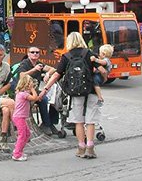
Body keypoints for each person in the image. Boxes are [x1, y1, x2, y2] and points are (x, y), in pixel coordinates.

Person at [42, 31, 101, 159]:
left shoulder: (66, 56)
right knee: (90, 120)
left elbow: (57, 74)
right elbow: (101, 69)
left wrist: (46, 89)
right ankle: (90, 146)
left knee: (78, 120)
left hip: (75, 92)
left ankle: (81, 147)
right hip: (91, 90)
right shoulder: (89, 53)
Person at [17, 46, 58, 135]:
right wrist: (33, 70)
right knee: (43, 99)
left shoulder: (39, 63)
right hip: (24, 91)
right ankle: (48, 124)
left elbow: (53, 69)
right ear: (28, 54)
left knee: (51, 99)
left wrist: (47, 73)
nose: (35, 54)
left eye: (37, 52)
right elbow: (21, 75)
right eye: (32, 52)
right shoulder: (25, 63)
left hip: (34, 91)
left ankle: (48, 124)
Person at [11, 74, 40, 162]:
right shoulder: (23, 94)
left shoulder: (23, 93)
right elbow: (34, 97)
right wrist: (32, 89)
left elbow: (35, 98)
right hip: (19, 117)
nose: (32, 84)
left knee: (27, 134)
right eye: (30, 82)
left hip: (20, 117)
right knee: (22, 135)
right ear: (26, 84)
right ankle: (17, 154)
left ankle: (18, 150)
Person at [0, 44, 14, 149]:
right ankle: (20, 129)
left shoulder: (6, 66)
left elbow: (9, 83)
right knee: (12, 104)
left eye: (0, 55)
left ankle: (3, 138)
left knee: (6, 111)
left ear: (4, 56)